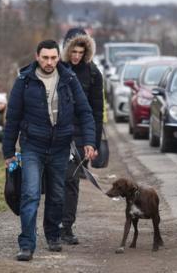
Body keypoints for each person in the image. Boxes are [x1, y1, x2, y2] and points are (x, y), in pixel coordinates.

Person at [2, 39, 97, 262]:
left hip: (61, 147)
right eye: (45, 57)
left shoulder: (68, 79)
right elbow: (13, 118)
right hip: (32, 146)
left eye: (53, 57)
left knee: (56, 195)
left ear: (57, 57)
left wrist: (89, 141)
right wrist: (8, 152)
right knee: (30, 194)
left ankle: (53, 235)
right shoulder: (24, 81)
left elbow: (84, 112)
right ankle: (26, 244)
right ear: (37, 57)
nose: (49, 62)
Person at [60, 28, 104, 245]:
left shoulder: (94, 73)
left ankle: (66, 227)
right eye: (73, 51)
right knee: (55, 180)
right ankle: (55, 223)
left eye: (80, 52)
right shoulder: (57, 69)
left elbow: (97, 111)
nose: (76, 56)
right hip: (57, 133)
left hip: (80, 136)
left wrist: (92, 143)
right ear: (66, 49)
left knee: (71, 180)